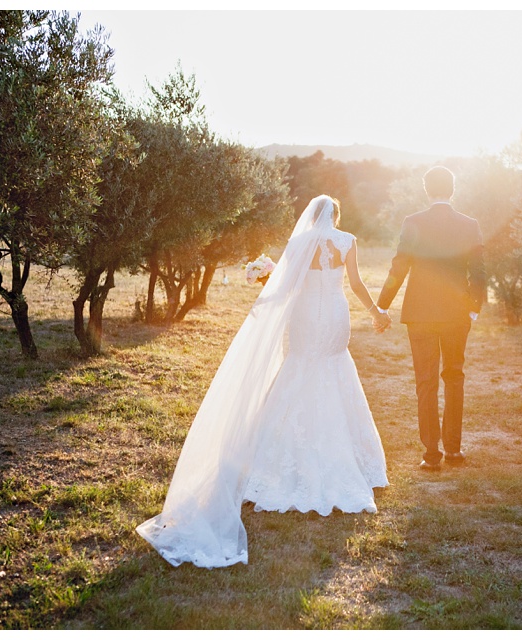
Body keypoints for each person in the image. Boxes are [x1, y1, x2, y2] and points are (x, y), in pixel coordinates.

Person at [137, 195, 389, 568]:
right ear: (335, 216)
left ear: (311, 216)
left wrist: (266, 297)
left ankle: (278, 460)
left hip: (305, 316)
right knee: (334, 369)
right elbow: (354, 283)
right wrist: (376, 311)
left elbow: (288, 286)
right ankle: (344, 457)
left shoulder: (300, 242)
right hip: (335, 315)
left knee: (300, 367)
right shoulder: (347, 240)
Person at [375, 166, 486, 471]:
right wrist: (474, 307)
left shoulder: (413, 222)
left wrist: (382, 305)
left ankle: (431, 454)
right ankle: (453, 450)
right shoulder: (469, 224)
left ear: (427, 190)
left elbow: (399, 267)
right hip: (456, 313)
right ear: (453, 189)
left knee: (425, 382)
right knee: (454, 377)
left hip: (420, 314)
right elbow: (479, 271)